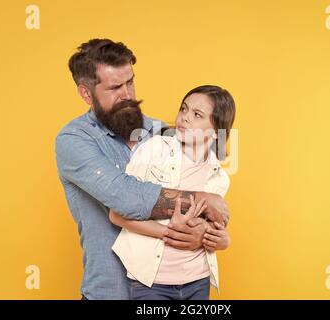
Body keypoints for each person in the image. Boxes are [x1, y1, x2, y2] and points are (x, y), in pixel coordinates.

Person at [55, 39, 230, 299]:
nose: (128, 95)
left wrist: (207, 235)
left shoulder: (164, 133)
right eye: (115, 87)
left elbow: (206, 182)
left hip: (175, 291)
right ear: (86, 94)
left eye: (130, 82)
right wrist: (203, 201)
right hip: (110, 293)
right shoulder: (74, 140)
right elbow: (127, 197)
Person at [110, 85, 236, 300]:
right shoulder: (153, 150)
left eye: (197, 115)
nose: (185, 118)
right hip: (151, 282)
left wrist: (223, 240)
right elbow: (117, 214)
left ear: (216, 131)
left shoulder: (218, 178)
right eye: (184, 109)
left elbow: (209, 229)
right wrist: (170, 231)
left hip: (198, 279)